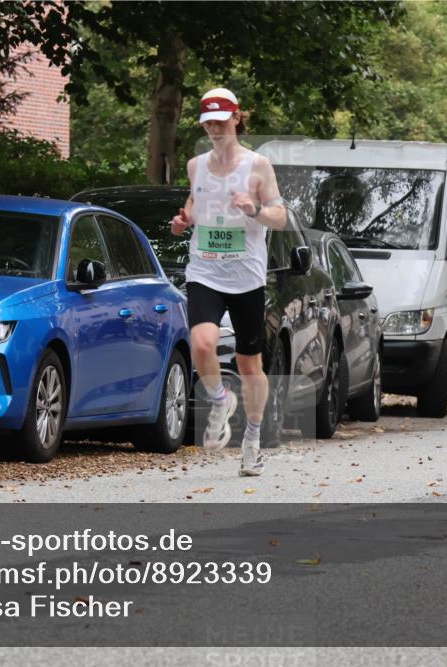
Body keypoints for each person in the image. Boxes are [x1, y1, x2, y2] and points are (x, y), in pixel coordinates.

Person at [170, 87, 287, 476]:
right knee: (201, 342)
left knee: (249, 363)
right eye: (209, 123)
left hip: (246, 276)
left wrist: (253, 209)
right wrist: (184, 219)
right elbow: (193, 202)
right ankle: (219, 400)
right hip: (205, 270)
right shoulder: (195, 165)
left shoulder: (258, 166)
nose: (215, 129)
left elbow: (280, 217)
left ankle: (252, 439)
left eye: (222, 121)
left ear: (237, 118)